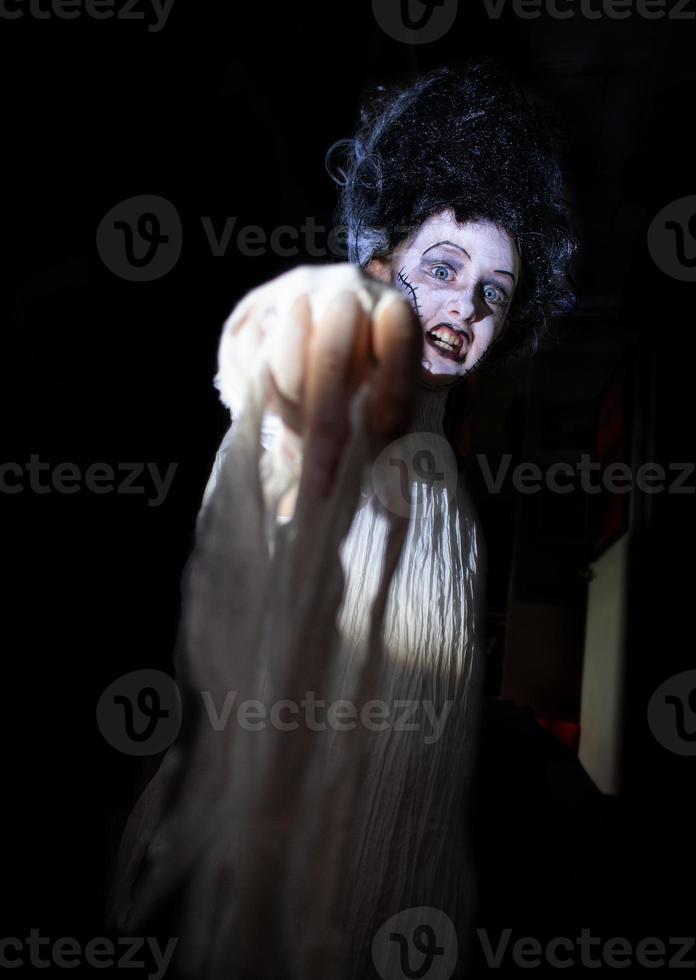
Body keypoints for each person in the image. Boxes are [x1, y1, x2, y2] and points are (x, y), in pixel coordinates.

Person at [110, 61, 577, 980]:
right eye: (441, 269)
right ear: (378, 263)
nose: (463, 309)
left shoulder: (445, 481)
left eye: (493, 292)